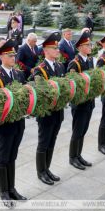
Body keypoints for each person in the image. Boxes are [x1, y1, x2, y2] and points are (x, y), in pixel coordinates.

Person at [0, 39, 27, 208]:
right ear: (1, 56)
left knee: (13, 156)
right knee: (3, 158)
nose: (13, 57)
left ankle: (12, 188)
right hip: (5, 125)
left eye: (14, 55)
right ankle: (3, 192)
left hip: (19, 122)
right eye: (10, 55)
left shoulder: (18, 74)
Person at [29, 32, 65, 185]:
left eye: (57, 48)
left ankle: (47, 168)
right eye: (54, 48)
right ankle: (40, 172)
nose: (57, 50)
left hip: (58, 112)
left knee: (52, 141)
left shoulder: (60, 66)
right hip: (46, 114)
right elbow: (39, 94)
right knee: (44, 142)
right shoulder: (40, 70)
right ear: (45, 51)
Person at [66, 30, 94, 170]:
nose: (90, 47)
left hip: (89, 102)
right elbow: (72, 85)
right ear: (80, 47)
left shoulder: (89, 60)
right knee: (77, 131)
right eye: (88, 45)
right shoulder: (74, 64)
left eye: (90, 44)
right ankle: (73, 157)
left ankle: (79, 155)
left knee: (83, 130)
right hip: (80, 103)